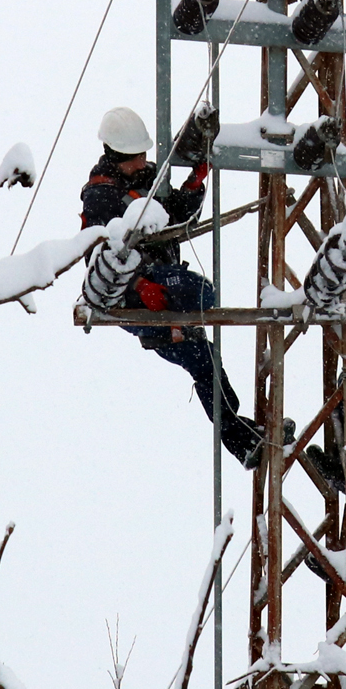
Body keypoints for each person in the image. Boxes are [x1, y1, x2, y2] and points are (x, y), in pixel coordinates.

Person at [80, 106, 262, 463]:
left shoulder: (145, 177)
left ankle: (242, 441)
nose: (143, 161)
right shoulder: (100, 197)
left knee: (205, 359)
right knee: (203, 294)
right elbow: (97, 259)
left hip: (161, 287)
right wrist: (140, 285)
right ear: (114, 156)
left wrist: (195, 184)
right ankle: (161, 331)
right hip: (132, 295)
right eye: (136, 157)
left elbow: (176, 211)